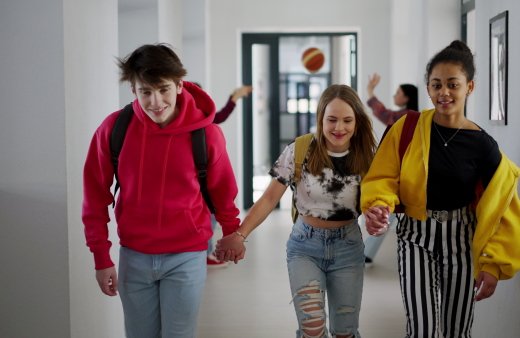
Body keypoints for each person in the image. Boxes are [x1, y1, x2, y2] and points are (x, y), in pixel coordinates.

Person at [360, 40, 520, 337]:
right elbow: (382, 177)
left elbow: (504, 205)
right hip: (415, 237)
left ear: (469, 87)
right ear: (428, 88)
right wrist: (379, 204)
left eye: (453, 84)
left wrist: (494, 263)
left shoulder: (483, 144)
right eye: (436, 85)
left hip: (462, 239)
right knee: (421, 329)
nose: (444, 92)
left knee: (457, 330)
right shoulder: (407, 128)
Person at [82, 43, 244, 338]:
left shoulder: (205, 133)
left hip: (187, 256)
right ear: (133, 90)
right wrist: (101, 257)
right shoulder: (114, 129)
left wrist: (233, 232)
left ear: (180, 85)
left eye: (163, 89)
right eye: (145, 91)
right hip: (134, 256)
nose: (155, 101)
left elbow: (223, 190)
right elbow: (94, 198)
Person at [215, 84, 377, 338]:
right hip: (305, 247)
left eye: (347, 120)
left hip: (348, 246)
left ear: (357, 121)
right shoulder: (300, 150)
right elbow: (269, 199)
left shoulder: (368, 155)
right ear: (320, 118)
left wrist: (379, 215)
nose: (339, 128)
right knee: (311, 330)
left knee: (345, 331)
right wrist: (240, 234)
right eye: (331, 120)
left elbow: (378, 199)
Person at [191, 81, 253, 268]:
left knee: (208, 219)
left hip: (203, 184)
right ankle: (204, 255)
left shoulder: (203, 124)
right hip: (197, 186)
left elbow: (220, 116)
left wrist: (234, 97)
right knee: (207, 219)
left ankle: (205, 254)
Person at [364, 75, 420, 267]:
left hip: (402, 178)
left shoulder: (406, 117)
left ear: (406, 98)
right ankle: (367, 253)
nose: (395, 95)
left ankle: (366, 254)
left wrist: (371, 92)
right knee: (388, 213)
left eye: (398, 93)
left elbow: (384, 113)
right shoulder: (413, 117)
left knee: (386, 212)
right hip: (404, 177)